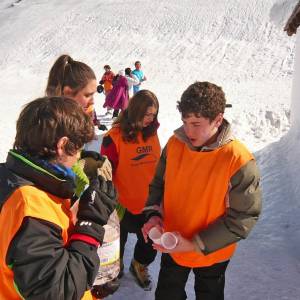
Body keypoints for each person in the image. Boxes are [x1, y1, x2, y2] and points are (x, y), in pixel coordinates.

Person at [142, 81, 262, 300]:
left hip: (212, 252)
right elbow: (158, 184)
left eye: (196, 124)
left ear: (217, 119)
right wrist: (153, 215)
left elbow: (243, 217)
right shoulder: (175, 144)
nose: (188, 131)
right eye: (185, 122)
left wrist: (195, 244)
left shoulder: (238, 160)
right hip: (173, 243)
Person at [0, 96, 117, 300]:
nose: (77, 159)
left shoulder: (13, 179)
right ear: (62, 146)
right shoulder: (31, 207)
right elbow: (57, 290)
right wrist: (92, 224)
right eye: (78, 150)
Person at [101, 90, 161, 290]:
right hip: (122, 204)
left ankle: (140, 265)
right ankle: (114, 270)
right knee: (117, 242)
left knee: (150, 241)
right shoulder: (114, 137)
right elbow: (106, 173)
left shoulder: (152, 134)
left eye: (153, 115)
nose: (150, 119)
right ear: (135, 112)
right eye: (146, 115)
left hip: (149, 204)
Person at [46, 54, 107, 131]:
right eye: (87, 95)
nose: (93, 101)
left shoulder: (84, 109)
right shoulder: (48, 126)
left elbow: (90, 115)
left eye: (93, 95)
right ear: (67, 93)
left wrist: (96, 123)